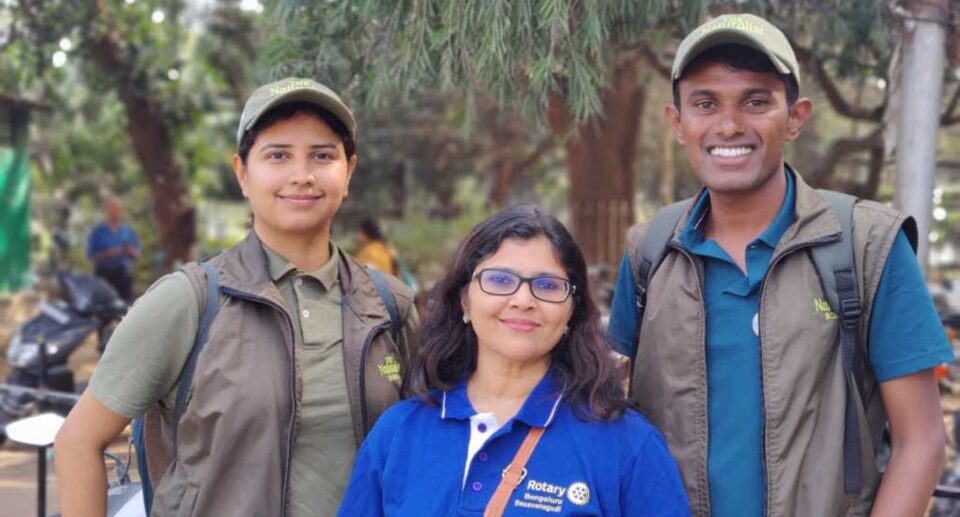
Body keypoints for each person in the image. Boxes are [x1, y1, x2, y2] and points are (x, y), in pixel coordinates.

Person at [607, 13, 952, 517]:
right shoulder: (650, 250)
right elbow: (613, 423)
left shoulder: (865, 245)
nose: (729, 125)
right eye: (705, 103)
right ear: (677, 123)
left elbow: (920, 441)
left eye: (756, 101)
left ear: (795, 117)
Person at [54, 77, 419, 516]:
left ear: (349, 172)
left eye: (322, 156)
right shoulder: (189, 302)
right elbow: (78, 440)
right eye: (278, 155)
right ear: (243, 173)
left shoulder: (389, 306)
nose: (301, 175)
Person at [339, 204, 690, 516]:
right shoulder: (399, 432)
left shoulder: (627, 444)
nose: (523, 300)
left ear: (572, 309)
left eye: (548, 285)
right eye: (499, 280)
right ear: (464, 299)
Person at [86, 196, 140, 301]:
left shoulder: (128, 231)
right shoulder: (98, 232)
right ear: (106, 212)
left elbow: (137, 255)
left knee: (125, 306)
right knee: (105, 305)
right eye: (112, 210)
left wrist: (129, 251)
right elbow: (91, 256)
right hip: (104, 274)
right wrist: (107, 254)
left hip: (123, 274)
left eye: (117, 210)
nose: (115, 213)